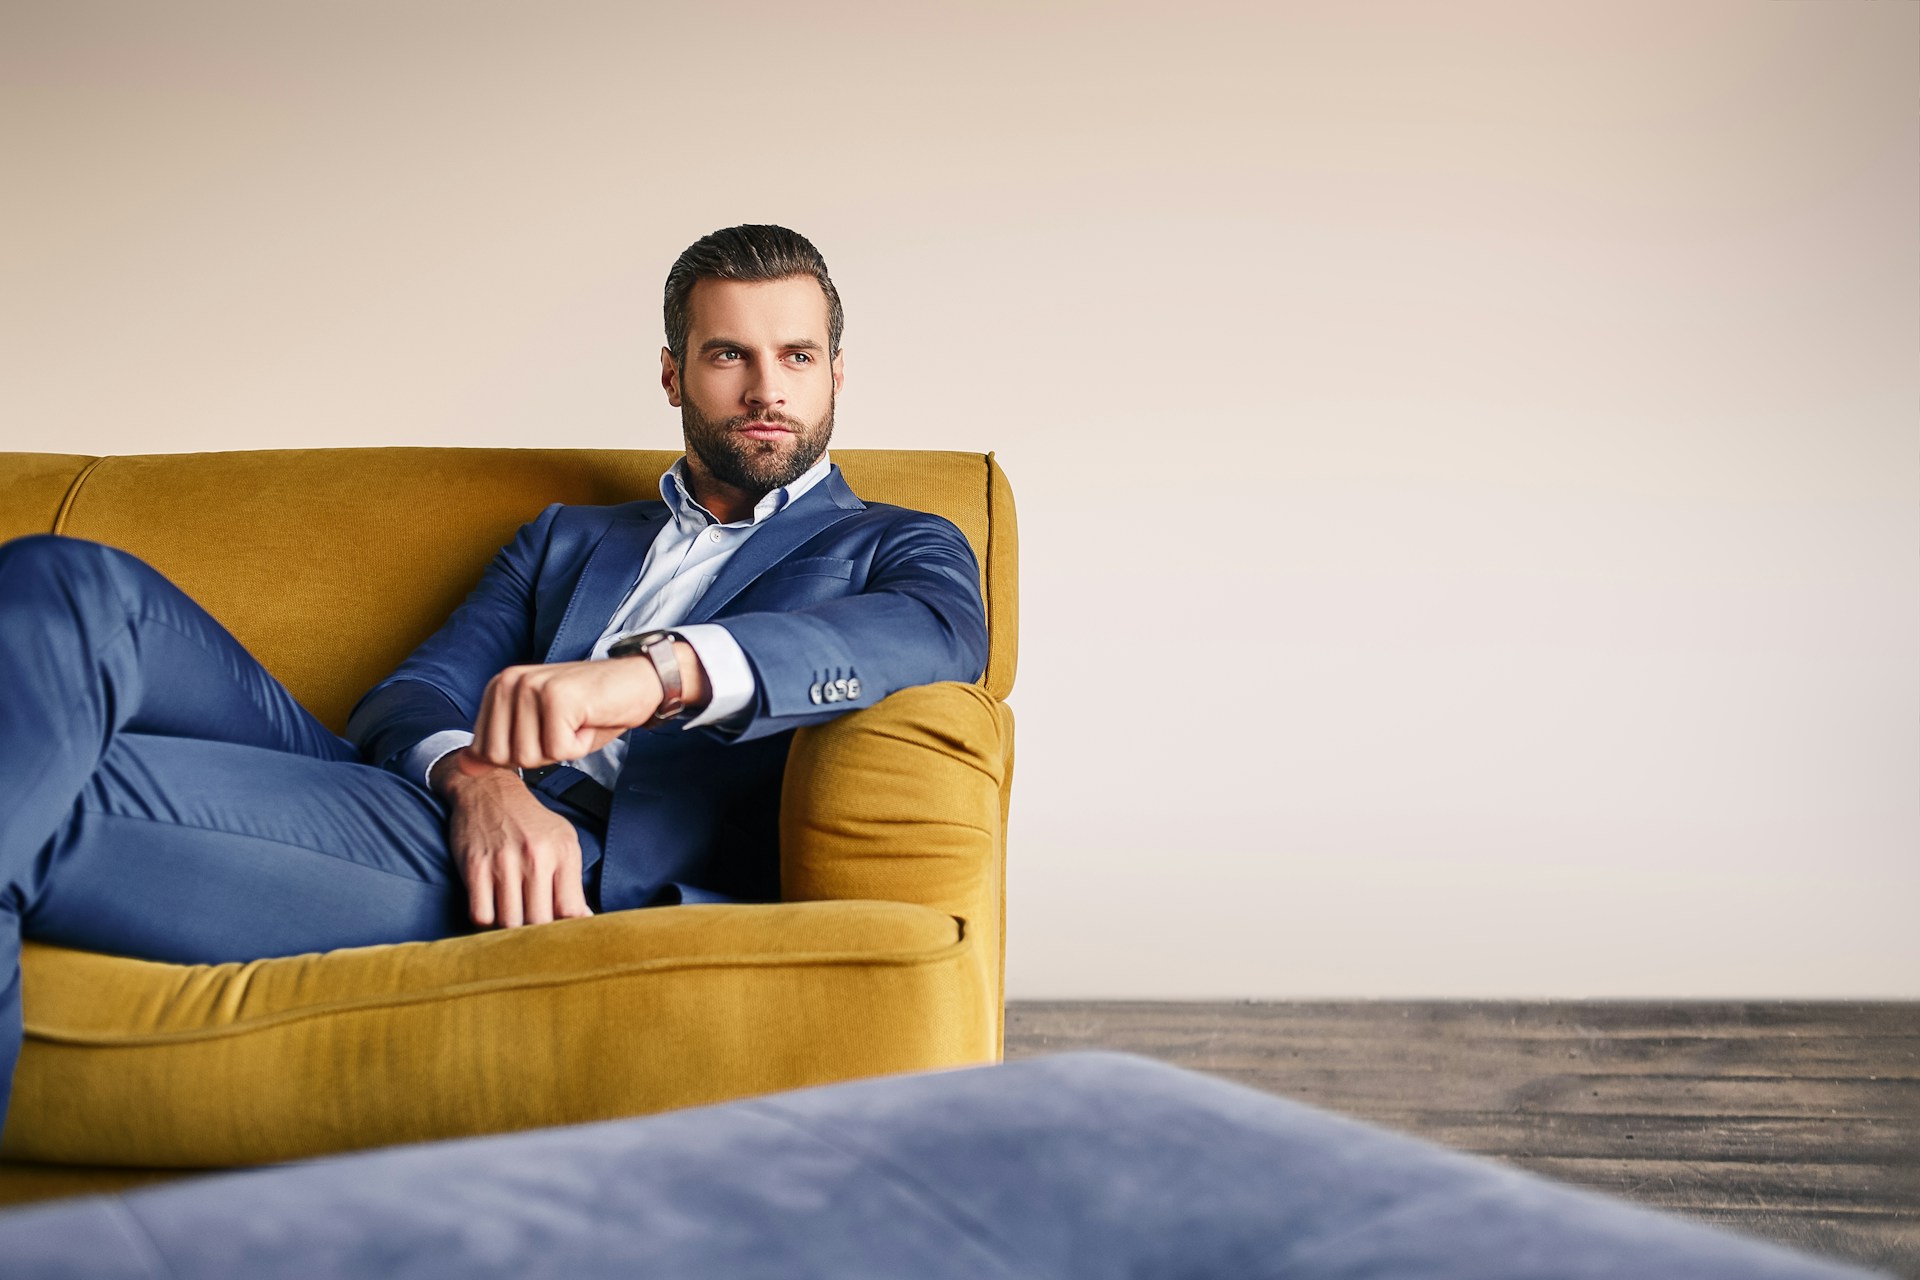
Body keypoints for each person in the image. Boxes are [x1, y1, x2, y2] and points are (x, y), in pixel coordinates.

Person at [0, 224, 989, 1130]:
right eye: (729, 353)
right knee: (68, 578)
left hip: (574, 869)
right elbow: (408, 698)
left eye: (797, 356)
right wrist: (483, 781)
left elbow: (932, 635)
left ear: (837, 373)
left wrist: (657, 675)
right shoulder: (567, 538)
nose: (767, 389)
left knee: (40, 791)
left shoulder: (899, 545)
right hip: (422, 798)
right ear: (673, 372)